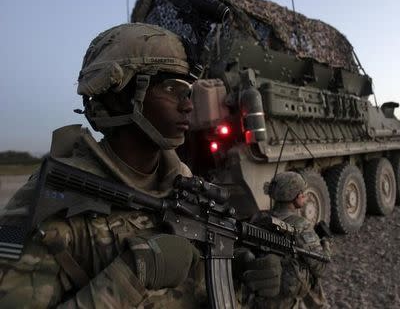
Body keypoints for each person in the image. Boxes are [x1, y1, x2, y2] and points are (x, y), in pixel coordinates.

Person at [0, 23, 282, 308]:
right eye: (172, 89)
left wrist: (241, 270)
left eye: (189, 92)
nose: (188, 106)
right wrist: (132, 273)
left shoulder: (181, 182)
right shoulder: (41, 203)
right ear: (119, 95)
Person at [265, 171, 332, 309]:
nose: (304, 195)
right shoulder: (300, 225)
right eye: (301, 192)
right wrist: (326, 243)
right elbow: (321, 268)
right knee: (312, 274)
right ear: (294, 196)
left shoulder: (261, 218)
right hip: (286, 296)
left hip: (264, 294)